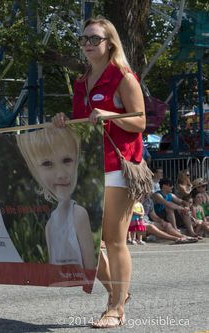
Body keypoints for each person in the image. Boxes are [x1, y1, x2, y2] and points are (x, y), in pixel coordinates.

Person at [52, 17, 146, 328]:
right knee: (84, 242)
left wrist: (112, 115)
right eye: (83, 39)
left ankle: (116, 308)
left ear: (110, 44)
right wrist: (64, 120)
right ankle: (118, 295)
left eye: (94, 39)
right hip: (89, 167)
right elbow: (82, 127)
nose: (88, 44)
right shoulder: (81, 82)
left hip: (119, 167)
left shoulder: (123, 77)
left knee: (113, 239)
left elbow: (141, 122)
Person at [16, 127, 95, 269]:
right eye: (47, 164)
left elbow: (90, 265)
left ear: (76, 161)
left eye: (66, 160)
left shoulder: (78, 214)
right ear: (35, 171)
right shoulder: (49, 225)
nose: (60, 174)